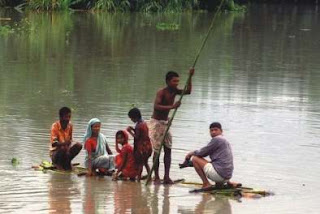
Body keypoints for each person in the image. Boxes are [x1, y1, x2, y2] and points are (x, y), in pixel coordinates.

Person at [149, 68, 195, 184]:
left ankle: (166, 177)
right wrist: (172, 107)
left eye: (178, 81)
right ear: (168, 81)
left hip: (165, 123)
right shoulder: (162, 92)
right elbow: (156, 106)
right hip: (157, 123)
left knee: (168, 149)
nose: (176, 83)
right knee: (157, 151)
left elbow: (188, 91)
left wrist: (190, 77)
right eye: (174, 81)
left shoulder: (175, 91)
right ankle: (157, 177)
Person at [183, 122, 233, 188]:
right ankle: (225, 183)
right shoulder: (225, 141)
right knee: (215, 163)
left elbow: (202, 153)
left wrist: (190, 154)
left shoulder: (217, 139)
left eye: (216, 130)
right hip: (227, 176)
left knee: (195, 159)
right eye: (211, 130)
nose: (213, 132)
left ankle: (206, 183)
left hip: (220, 175)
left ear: (221, 131)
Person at [127, 108, 152, 181]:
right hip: (148, 147)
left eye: (131, 118)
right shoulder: (143, 123)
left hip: (141, 148)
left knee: (140, 164)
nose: (131, 120)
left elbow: (137, 137)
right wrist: (133, 129)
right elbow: (141, 133)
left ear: (135, 117)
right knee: (146, 163)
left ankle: (138, 178)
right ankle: (149, 177)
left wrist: (130, 131)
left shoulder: (138, 125)